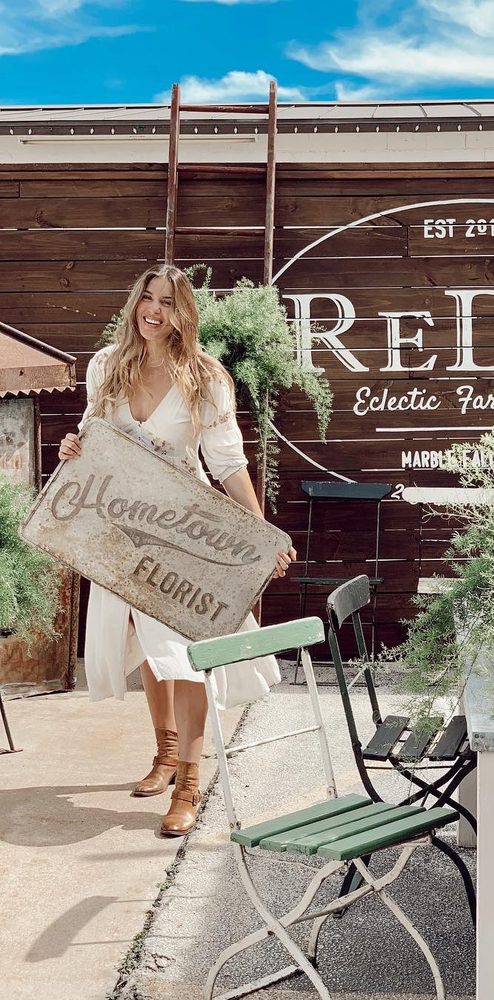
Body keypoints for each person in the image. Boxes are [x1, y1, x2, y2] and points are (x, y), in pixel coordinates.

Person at [58, 264, 296, 836]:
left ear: (183, 312)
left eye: (167, 301)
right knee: (147, 642)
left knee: (185, 648)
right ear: (135, 303)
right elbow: (94, 438)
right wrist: (73, 447)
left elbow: (228, 463)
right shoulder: (106, 367)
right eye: (148, 297)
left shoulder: (205, 377)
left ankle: (189, 778)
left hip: (184, 530)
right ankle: (164, 752)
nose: (154, 310)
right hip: (120, 529)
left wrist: (261, 536)